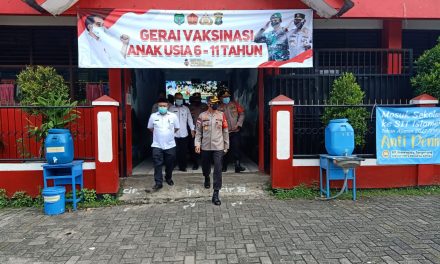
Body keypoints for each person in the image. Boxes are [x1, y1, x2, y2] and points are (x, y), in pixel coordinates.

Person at [195, 96, 229, 206]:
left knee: (218, 169)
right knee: (206, 166)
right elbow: (198, 132)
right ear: (208, 104)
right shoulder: (202, 116)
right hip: (205, 147)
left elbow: (225, 131)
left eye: (216, 103)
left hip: (218, 146)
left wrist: (226, 145)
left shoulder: (221, 115)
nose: (215, 105)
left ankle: (216, 193)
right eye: (213, 103)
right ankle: (206, 177)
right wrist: (197, 144)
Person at [147, 98, 180, 190]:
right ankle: (158, 182)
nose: (162, 107)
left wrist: (168, 134)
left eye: (164, 106)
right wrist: (159, 134)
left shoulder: (173, 116)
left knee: (170, 164)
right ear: (157, 106)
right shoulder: (153, 116)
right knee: (157, 164)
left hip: (170, 145)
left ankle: (168, 177)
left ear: (168, 106)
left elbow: (177, 128)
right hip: (157, 145)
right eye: (160, 106)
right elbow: (150, 128)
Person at [218, 89, 246, 173]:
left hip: (235, 131)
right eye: (224, 97)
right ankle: (224, 166)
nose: (226, 98)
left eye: (228, 97)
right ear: (220, 98)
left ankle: (237, 166)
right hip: (224, 133)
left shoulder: (235, 105)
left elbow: (242, 114)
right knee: (224, 150)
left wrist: (238, 124)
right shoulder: (218, 108)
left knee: (236, 148)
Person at [169, 92, 194, 171]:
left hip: (184, 134)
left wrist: (192, 129)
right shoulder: (171, 109)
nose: (179, 100)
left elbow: (189, 119)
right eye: (178, 98)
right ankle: (172, 165)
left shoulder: (186, 109)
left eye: (181, 98)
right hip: (173, 134)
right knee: (173, 151)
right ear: (174, 99)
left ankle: (182, 166)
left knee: (183, 152)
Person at [188, 92, 208, 170]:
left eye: (198, 98)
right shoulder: (190, 107)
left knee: (204, 148)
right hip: (193, 130)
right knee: (193, 148)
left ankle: (204, 163)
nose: (197, 100)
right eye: (195, 99)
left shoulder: (205, 106)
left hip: (204, 130)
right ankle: (195, 163)